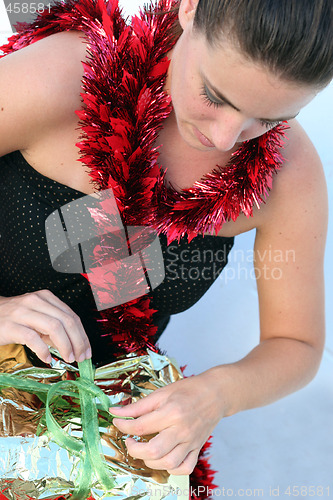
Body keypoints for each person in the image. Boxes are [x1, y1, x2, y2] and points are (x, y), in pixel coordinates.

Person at [0, 0, 331, 482]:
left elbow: (296, 343)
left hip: (101, 428)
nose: (224, 138)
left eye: (269, 119)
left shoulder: (289, 174)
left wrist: (217, 394)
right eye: (216, 96)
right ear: (190, 9)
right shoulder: (65, 75)